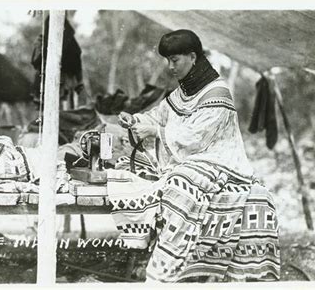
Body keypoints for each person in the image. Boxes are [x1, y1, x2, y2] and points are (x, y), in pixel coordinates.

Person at [114, 29, 281, 282]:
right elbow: (159, 116)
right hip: (194, 159)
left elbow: (196, 137)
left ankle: (168, 266)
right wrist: (136, 119)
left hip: (221, 161)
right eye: (168, 60)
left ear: (193, 57)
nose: (170, 66)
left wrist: (155, 131)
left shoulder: (217, 92)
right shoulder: (184, 92)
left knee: (180, 186)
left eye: (175, 60)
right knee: (136, 169)